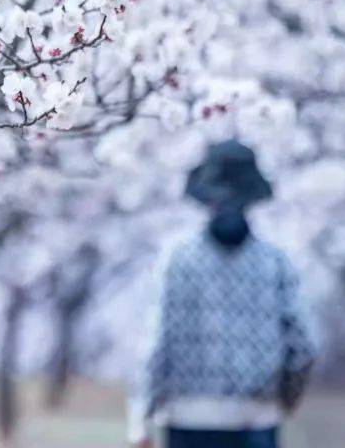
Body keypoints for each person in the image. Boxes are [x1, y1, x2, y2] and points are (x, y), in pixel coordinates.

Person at [127, 140, 316, 448]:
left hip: (188, 419)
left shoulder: (177, 260)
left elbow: (155, 341)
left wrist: (141, 418)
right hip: (255, 418)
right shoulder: (276, 262)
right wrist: (283, 400)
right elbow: (304, 345)